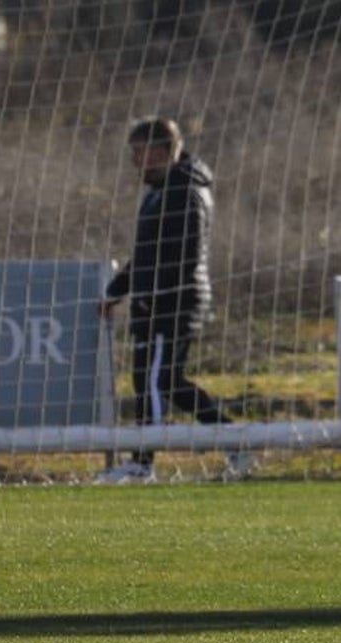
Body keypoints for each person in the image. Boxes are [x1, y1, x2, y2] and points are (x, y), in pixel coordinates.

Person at [98, 117, 251, 482]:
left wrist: (156, 294)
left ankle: (141, 464)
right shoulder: (161, 191)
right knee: (163, 382)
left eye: (141, 152)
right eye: (133, 153)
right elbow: (146, 254)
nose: (136, 161)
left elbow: (186, 255)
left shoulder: (186, 192)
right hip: (155, 302)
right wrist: (116, 291)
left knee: (155, 381)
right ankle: (238, 444)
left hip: (173, 304)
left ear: (166, 150)